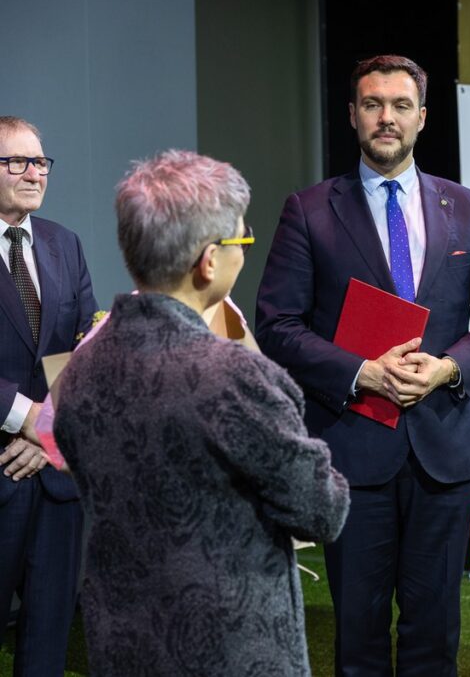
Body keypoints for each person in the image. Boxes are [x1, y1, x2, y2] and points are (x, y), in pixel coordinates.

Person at [256, 54, 470, 675]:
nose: (387, 117)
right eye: (373, 104)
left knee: (434, 635)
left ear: (422, 117)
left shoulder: (468, 208)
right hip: (353, 448)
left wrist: (447, 368)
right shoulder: (309, 210)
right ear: (352, 114)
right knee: (360, 639)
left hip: (444, 453)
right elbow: (277, 325)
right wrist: (361, 373)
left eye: (401, 105)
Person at [52, 150, 350, 676]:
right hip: (232, 652)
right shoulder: (235, 377)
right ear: (209, 260)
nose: (245, 251)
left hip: (123, 649)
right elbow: (322, 511)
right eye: (242, 240)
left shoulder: (81, 370)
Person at [0, 115, 97, 676]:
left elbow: (86, 351)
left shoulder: (65, 243)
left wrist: (47, 429)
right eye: (17, 161)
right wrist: (27, 417)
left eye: (39, 162)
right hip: (2, 469)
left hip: (56, 477)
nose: (34, 173)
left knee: (46, 645)